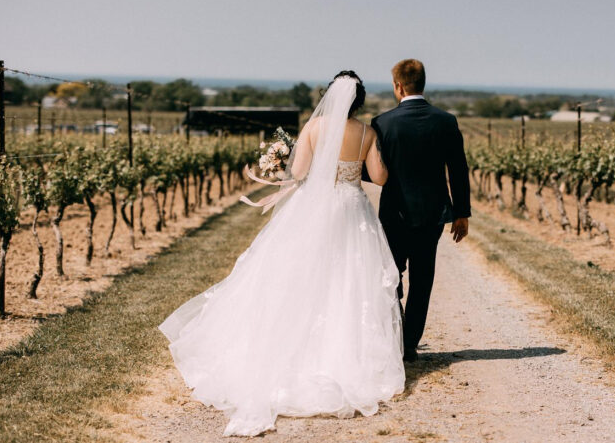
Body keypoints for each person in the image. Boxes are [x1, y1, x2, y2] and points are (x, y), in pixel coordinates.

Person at [158, 71, 405, 437]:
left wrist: (285, 161)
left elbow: (300, 171)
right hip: (352, 207)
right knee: (348, 279)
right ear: (359, 101)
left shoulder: (315, 126)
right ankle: (343, 352)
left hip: (315, 204)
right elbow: (380, 178)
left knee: (298, 273)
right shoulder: (368, 133)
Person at [368, 59, 471, 362]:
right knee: (423, 278)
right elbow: (458, 170)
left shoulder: (382, 123)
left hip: (394, 213)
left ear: (397, 86)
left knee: (391, 275)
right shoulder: (446, 121)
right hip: (432, 213)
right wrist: (461, 212)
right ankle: (410, 344)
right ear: (422, 83)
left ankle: (393, 334)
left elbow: (374, 172)